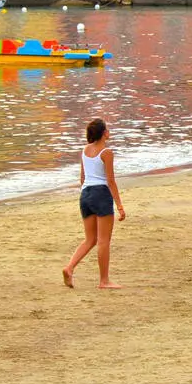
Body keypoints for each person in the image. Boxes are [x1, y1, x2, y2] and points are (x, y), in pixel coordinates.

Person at [63, 118, 125, 289]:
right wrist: (119, 205)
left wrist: (87, 194)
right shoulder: (106, 152)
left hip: (86, 194)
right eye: (107, 129)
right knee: (104, 241)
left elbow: (82, 178)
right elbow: (111, 181)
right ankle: (104, 281)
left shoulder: (85, 150)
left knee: (90, 239)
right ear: (104, 133)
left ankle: (69, 268)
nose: (109, 131)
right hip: (101, 194)